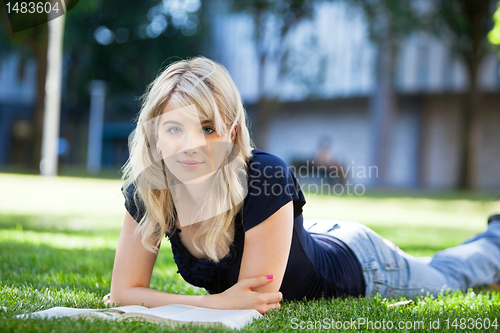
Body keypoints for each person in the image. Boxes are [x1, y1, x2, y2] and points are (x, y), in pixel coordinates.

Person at [108, 56, 500, 314]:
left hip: (364, 264)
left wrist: (170, 301)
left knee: (450, 275)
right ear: (155, 135)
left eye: (207, 128)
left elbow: (254, 302)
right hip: (302, 238)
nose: (190, 146)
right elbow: (124, 292)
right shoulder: (149, 191)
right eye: (175, 129)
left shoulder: (264, 175)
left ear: (231, 132)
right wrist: (220, 303)